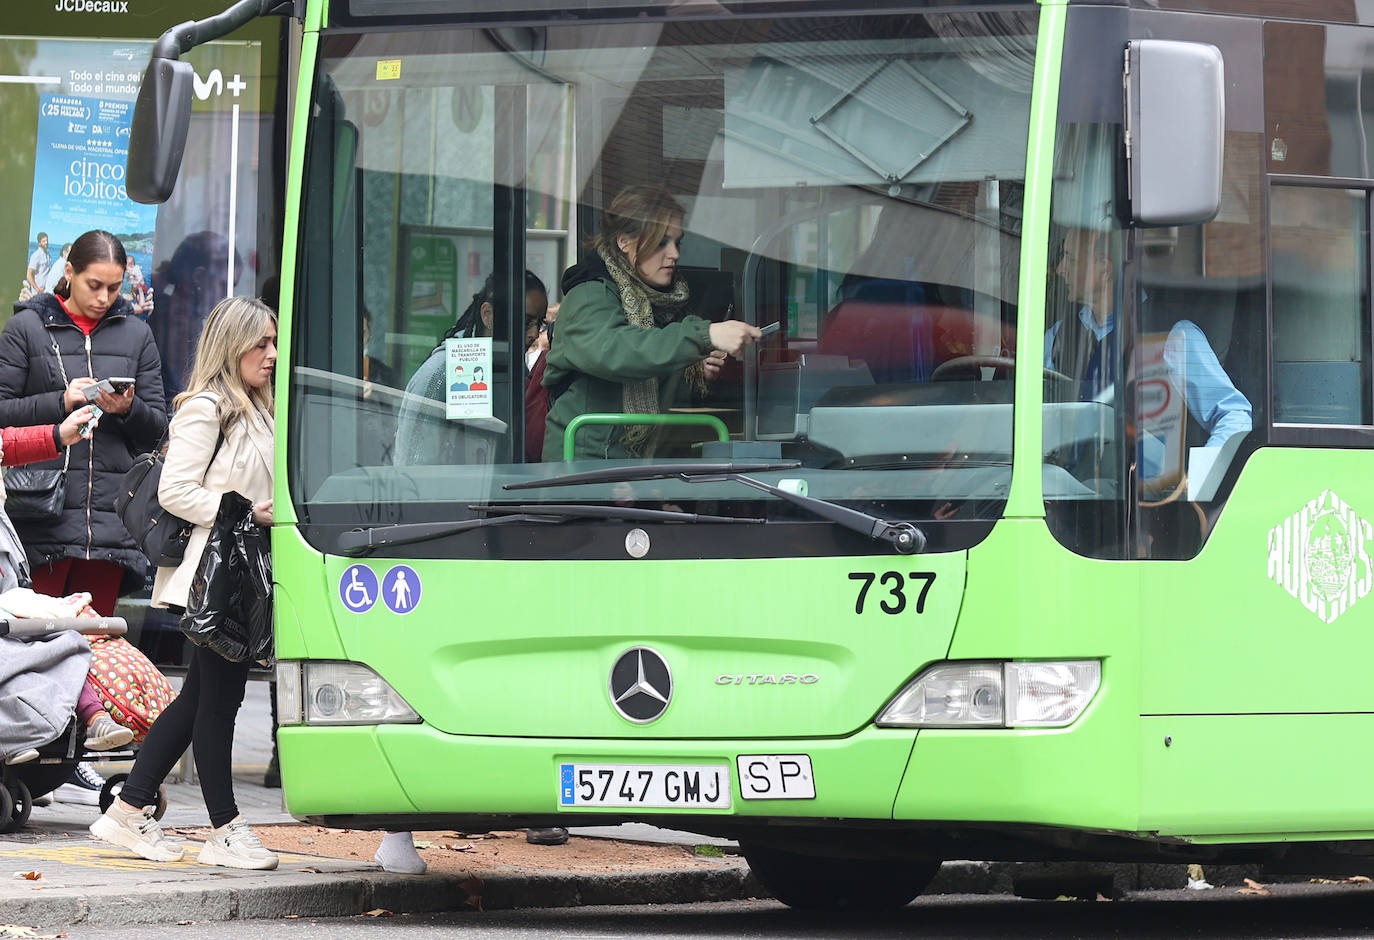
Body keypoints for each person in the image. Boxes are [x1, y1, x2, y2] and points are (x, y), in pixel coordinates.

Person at [90, 296, 277, 870]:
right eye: (260, 343)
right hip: (212, 575)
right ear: (231, 346)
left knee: (199, 697)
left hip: (240, 575)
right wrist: (243, 511)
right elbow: (175, 490)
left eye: (275, 341)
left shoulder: (261, 407)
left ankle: (127, 810)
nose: (272, 354)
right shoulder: (206, 407)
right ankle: (225, 827)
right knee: (219, 704)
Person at [0, 229, 168, 617]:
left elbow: (159, 431)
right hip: (40, 517)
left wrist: (126, 408)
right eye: (94, 285)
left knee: (99, 652)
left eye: (114, 287)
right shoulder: (26, 328)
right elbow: (3, 415)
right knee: (37, 654)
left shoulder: (137, 334)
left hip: (111, 525)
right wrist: (61, 401)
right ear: (70, 271)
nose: (104, 298)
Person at [541, 185, 760, 460]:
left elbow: (651, 380)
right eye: (661, 242)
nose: (675, 254)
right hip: (586, 464)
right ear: (624, 242)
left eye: (677, 242)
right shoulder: (589, 294)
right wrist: (705, 335)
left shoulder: (665, 301)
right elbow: (617, 352)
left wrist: (693, 370)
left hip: (642, 463)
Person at [1045, 225, 1252, 473]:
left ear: (1104, 269)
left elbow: (1234, 417)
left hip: (1148, 504)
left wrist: (1199, 480)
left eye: (1070, 258)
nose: (1060, 269)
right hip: (1069, 497)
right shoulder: (1057, 336)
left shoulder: (1174, 337)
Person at [393, 271, 549, 466]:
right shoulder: (442, 371)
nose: (534, 334)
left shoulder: (515, 369)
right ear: (487, 315)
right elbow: (413, 464)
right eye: (526, 322)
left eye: (540, 323)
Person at [149, 231, 240, 409]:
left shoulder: (188, 317)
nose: (226, 295)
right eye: (223, 285)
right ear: (199, 277)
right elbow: (182, 387)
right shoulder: (176, 319)